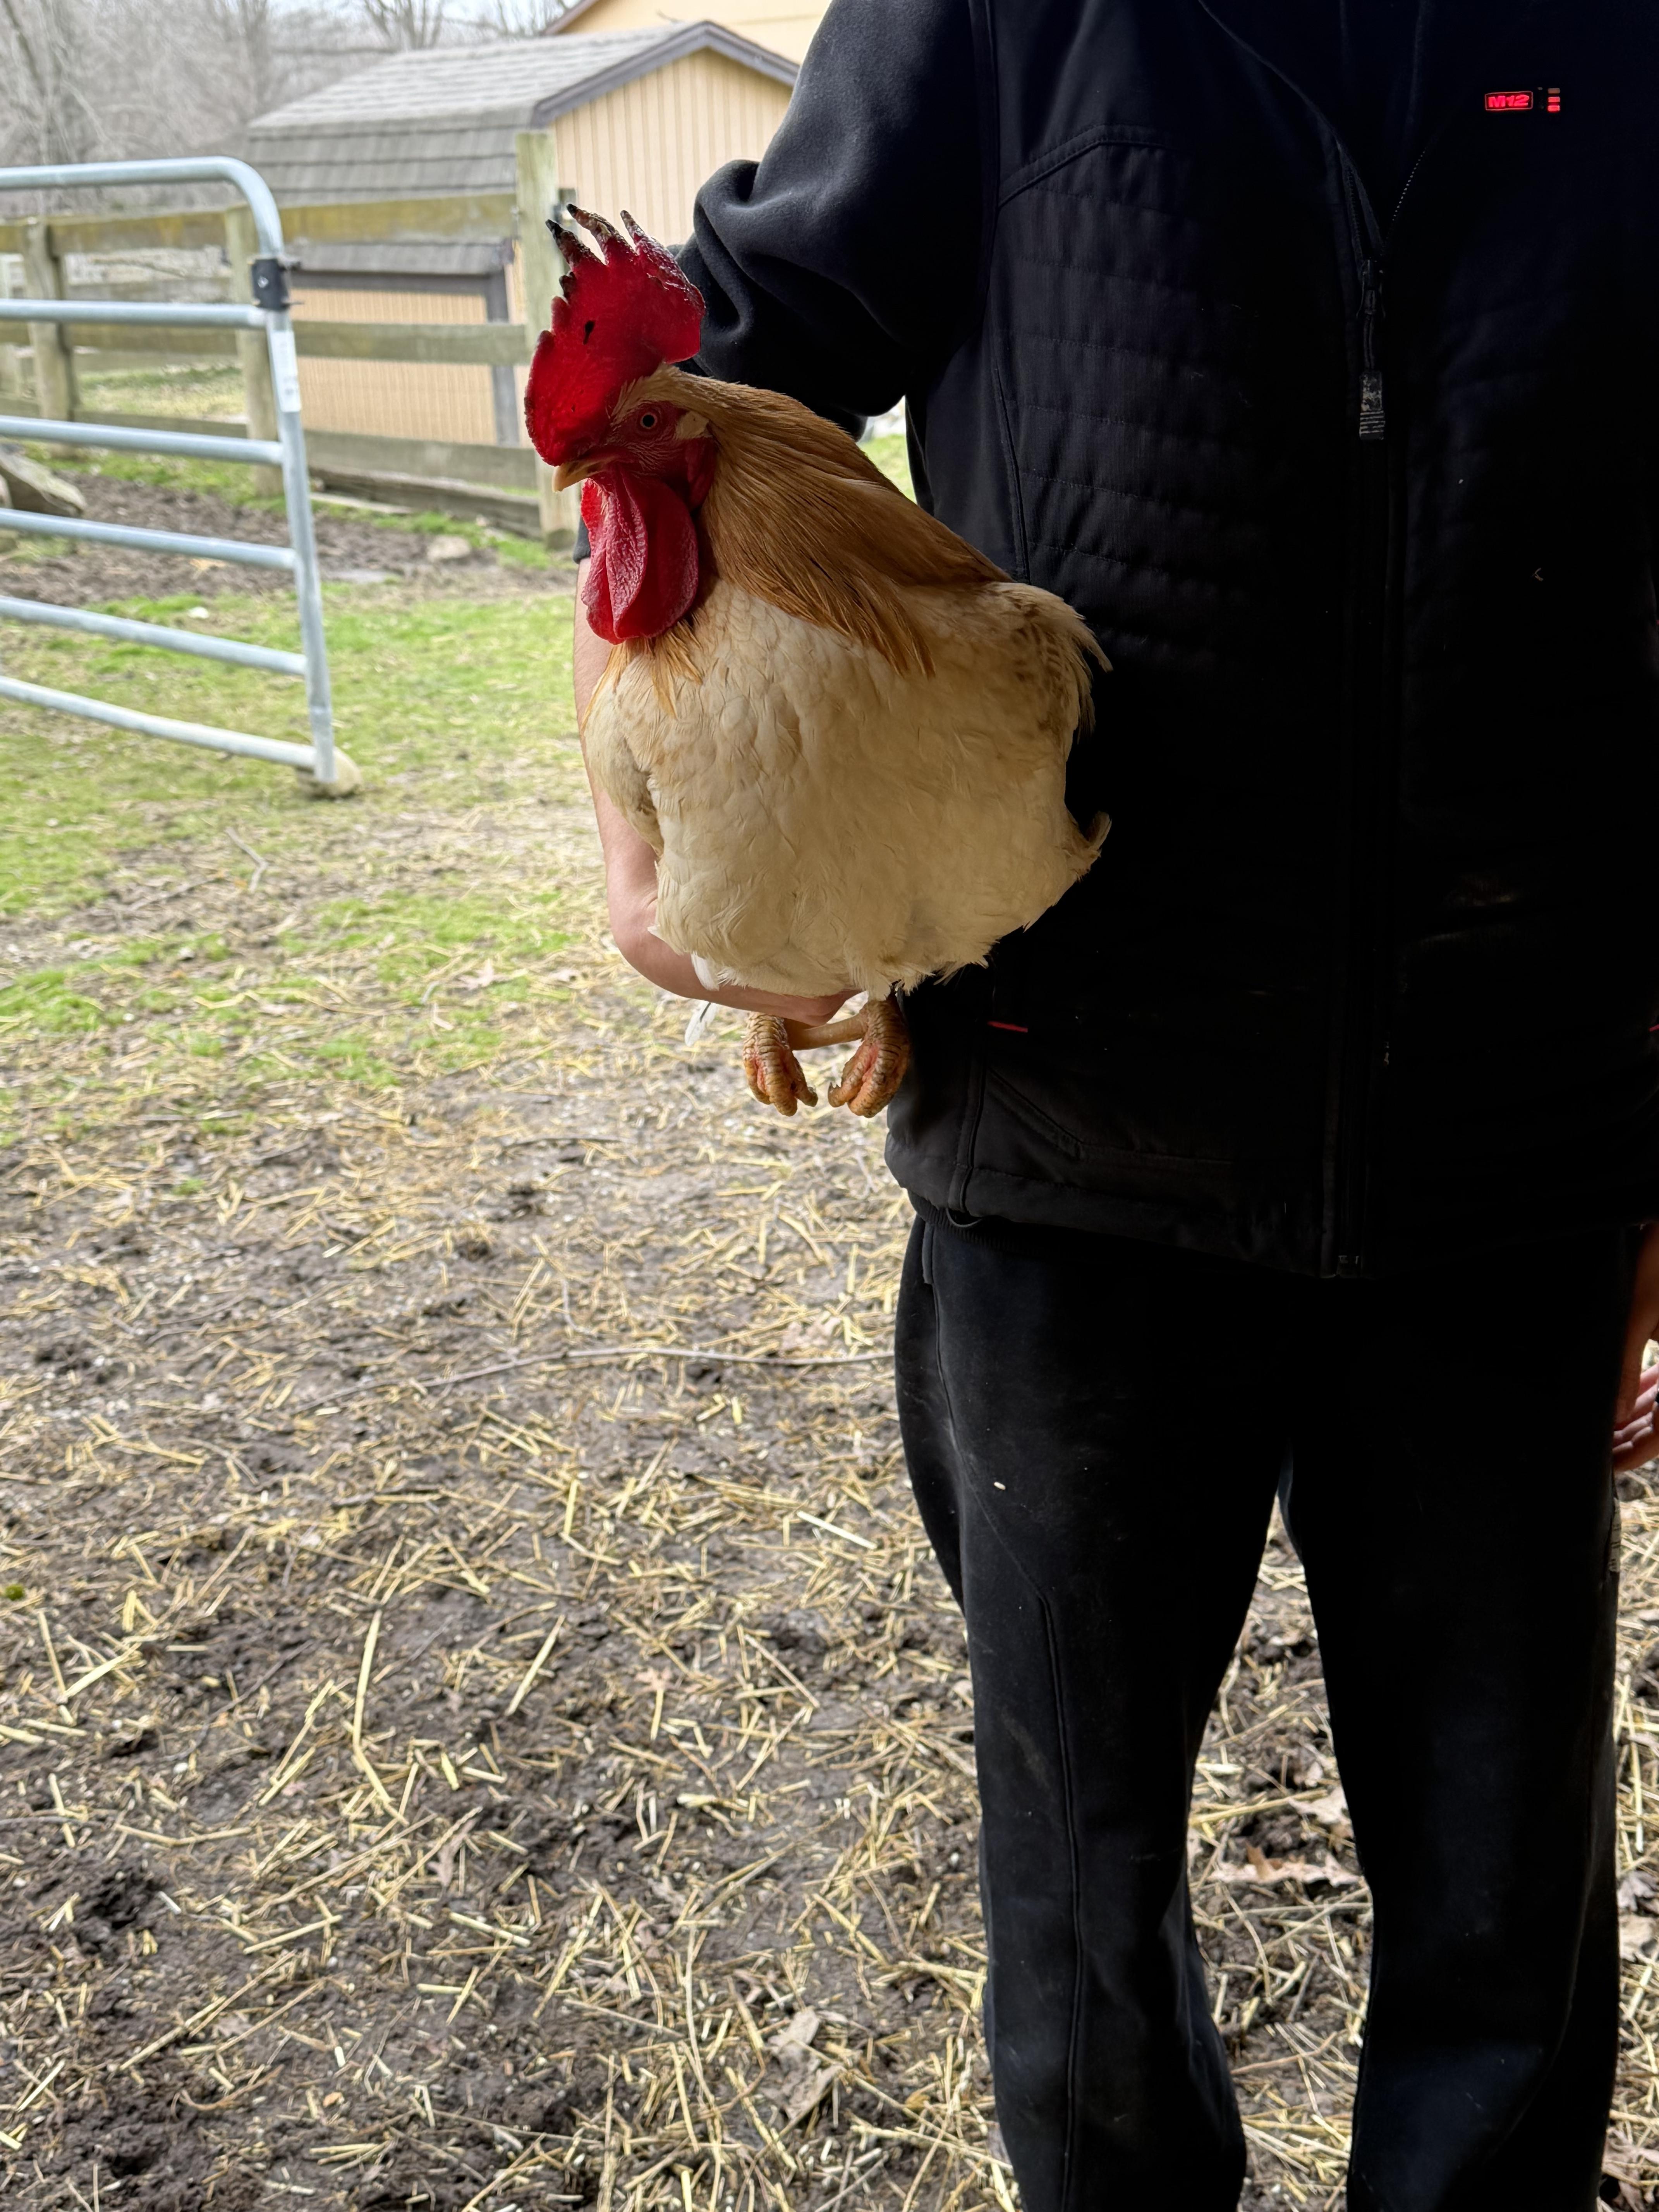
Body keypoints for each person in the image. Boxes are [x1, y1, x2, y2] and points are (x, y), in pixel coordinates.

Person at [570, 4, 1659, 2204]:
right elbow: (723, 358)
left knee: (1504, 1901)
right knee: (1080, 1872)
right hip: (1078, 1124)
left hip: (1522, 1130)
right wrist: (652, 787)